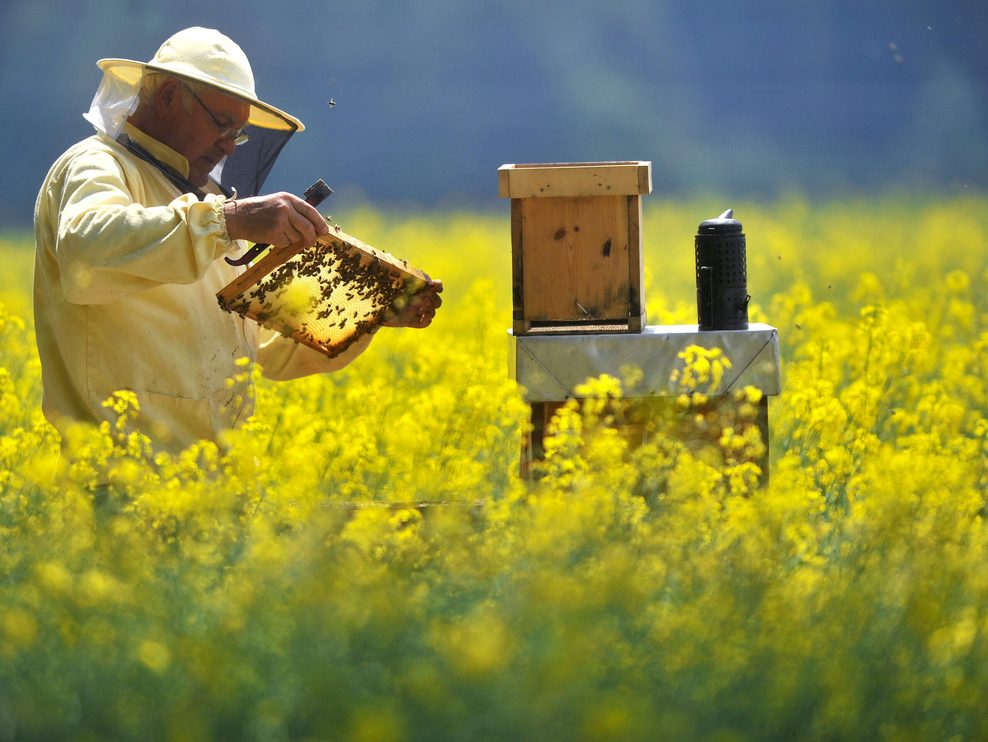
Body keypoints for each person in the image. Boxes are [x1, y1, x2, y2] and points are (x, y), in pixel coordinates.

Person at [33, 27, 442, 453]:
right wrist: (229, 220)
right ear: (169, 96)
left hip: (214, 480)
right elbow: (87, 254)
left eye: (238, 133)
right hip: (116, 477)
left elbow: (257, 347)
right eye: (224, 124)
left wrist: (370, 310)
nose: (229, 148)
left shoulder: (203, 203)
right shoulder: (96, 164)